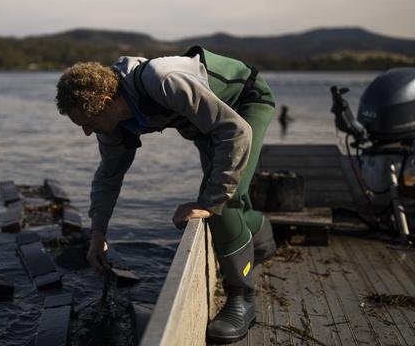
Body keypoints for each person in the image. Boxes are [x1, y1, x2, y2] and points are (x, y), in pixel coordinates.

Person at [55, 46, 277, 343]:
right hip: (206, 126)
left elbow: (235, 132)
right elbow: (108, 177)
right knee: (226, 195)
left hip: (243, 106)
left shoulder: (163, 81)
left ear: (107, 102)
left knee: (224, 203)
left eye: (87, 123)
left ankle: (242, 299)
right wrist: (98, 233)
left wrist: (210, 202)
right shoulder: (112, 126)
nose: (86, 132)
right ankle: (260, 235)